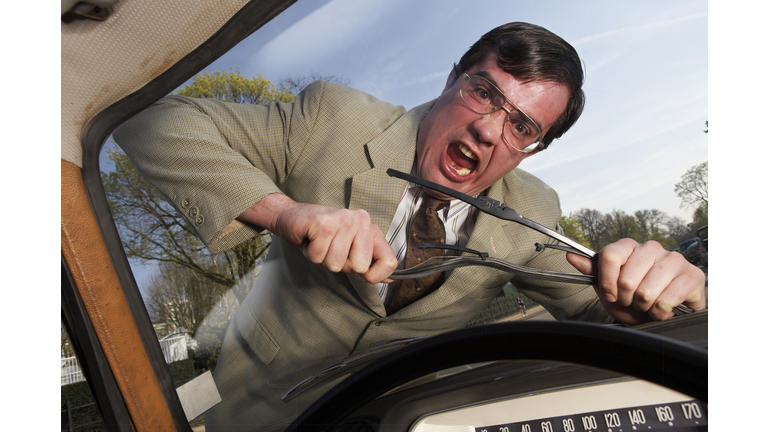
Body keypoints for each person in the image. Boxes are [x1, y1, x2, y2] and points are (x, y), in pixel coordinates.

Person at [114, 22, 706, 432]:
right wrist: (286, 213)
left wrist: (656, 299)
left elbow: (599, 316)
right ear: (452, 78)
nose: (488, 131)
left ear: (534, 148)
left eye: (522, 126)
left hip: (395, 420)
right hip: (256, 415)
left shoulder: (533, 211)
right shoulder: (333, 117)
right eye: (483, 94)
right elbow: (154, 120)